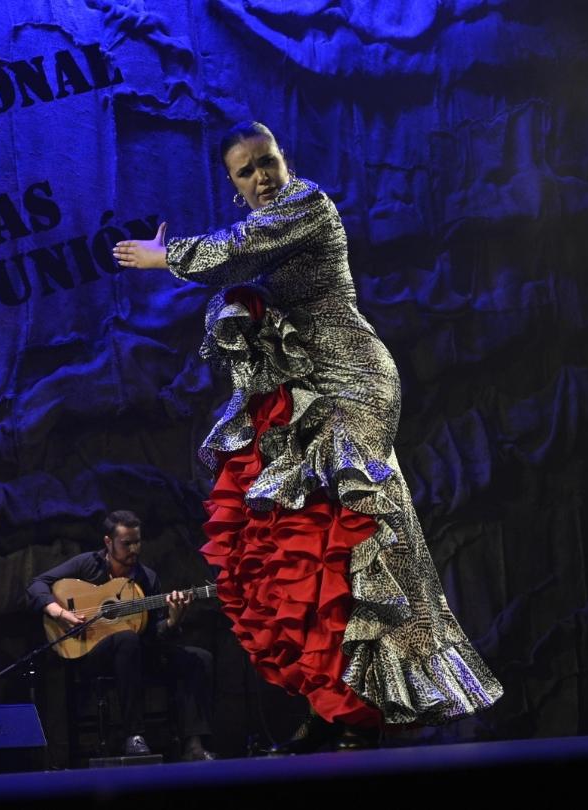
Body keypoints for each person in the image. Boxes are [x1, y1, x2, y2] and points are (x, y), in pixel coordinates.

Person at [112, 121, 502, 750]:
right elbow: (238, 266)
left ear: (283, 158)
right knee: (309, 543)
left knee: (359, 529)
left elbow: (243, 248)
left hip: (352, 379)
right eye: (247, 171)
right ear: (234, 183)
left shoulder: (308, 205)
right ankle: (337, 703)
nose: (261, 177)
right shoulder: (257, 224)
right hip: (302, 389)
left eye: (266, 161)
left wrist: (168, 257)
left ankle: (381, 694)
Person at [27, 510, 215, 761]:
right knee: (127, 639)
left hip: (138, 653)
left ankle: (194, 744)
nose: (134, 549)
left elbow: (157, 634)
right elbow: (36, 585)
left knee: (198, 657)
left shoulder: (146, 578)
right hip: (92, 654)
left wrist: (172, 620)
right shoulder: (87, 565)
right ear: (108, 542)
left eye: (137, 541)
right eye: (127, 543)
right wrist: (60, 613)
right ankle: (133, 735)